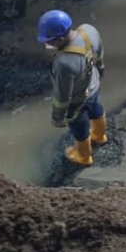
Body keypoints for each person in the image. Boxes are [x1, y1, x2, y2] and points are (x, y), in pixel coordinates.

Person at [38, 9, 107, 167]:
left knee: (79, 125)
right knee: (96, 109)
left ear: (60, 39)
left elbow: (63, 95)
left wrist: (58, 116)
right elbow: (100, 55)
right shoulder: (89, 30)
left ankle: (83, 156)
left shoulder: (64, 63)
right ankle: (100, 136)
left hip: (78, 99)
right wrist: (101, 70)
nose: (47, 44)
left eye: (50, 41)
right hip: (94, 84)